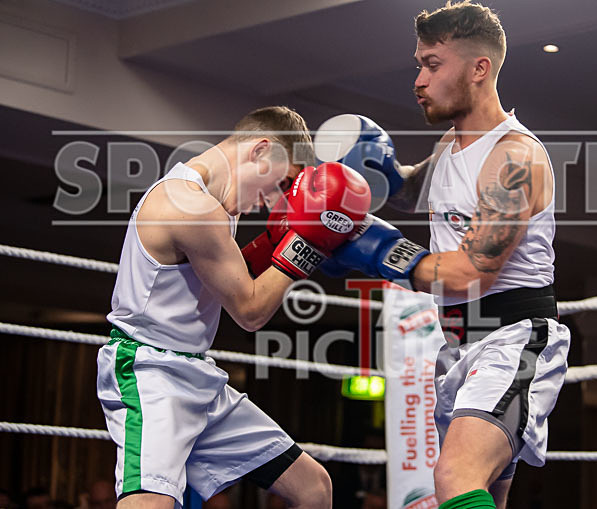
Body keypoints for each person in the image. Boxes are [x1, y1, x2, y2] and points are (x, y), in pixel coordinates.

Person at [313, 2, 571, 508]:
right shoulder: (452, 143)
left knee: (456, 476)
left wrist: (379, 250)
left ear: (479, 68)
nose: (419, 80)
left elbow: (471, 272)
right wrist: (377, 174)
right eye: (419, 65)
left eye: (433, 65)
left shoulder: (514, 158)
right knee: (473, 492)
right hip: (458, 340)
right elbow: (414, 190)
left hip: (514, 339)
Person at [98, 106, 371, 509]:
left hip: (196, 374)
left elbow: (228, 277)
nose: (273, 201)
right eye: (279, 183)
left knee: (314, 488)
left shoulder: (218, 204)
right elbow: (249, 310)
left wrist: (278, 241)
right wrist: (308, 244)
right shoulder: (188, 206)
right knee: (151, 504)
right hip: (150, 373)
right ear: (260, 150)